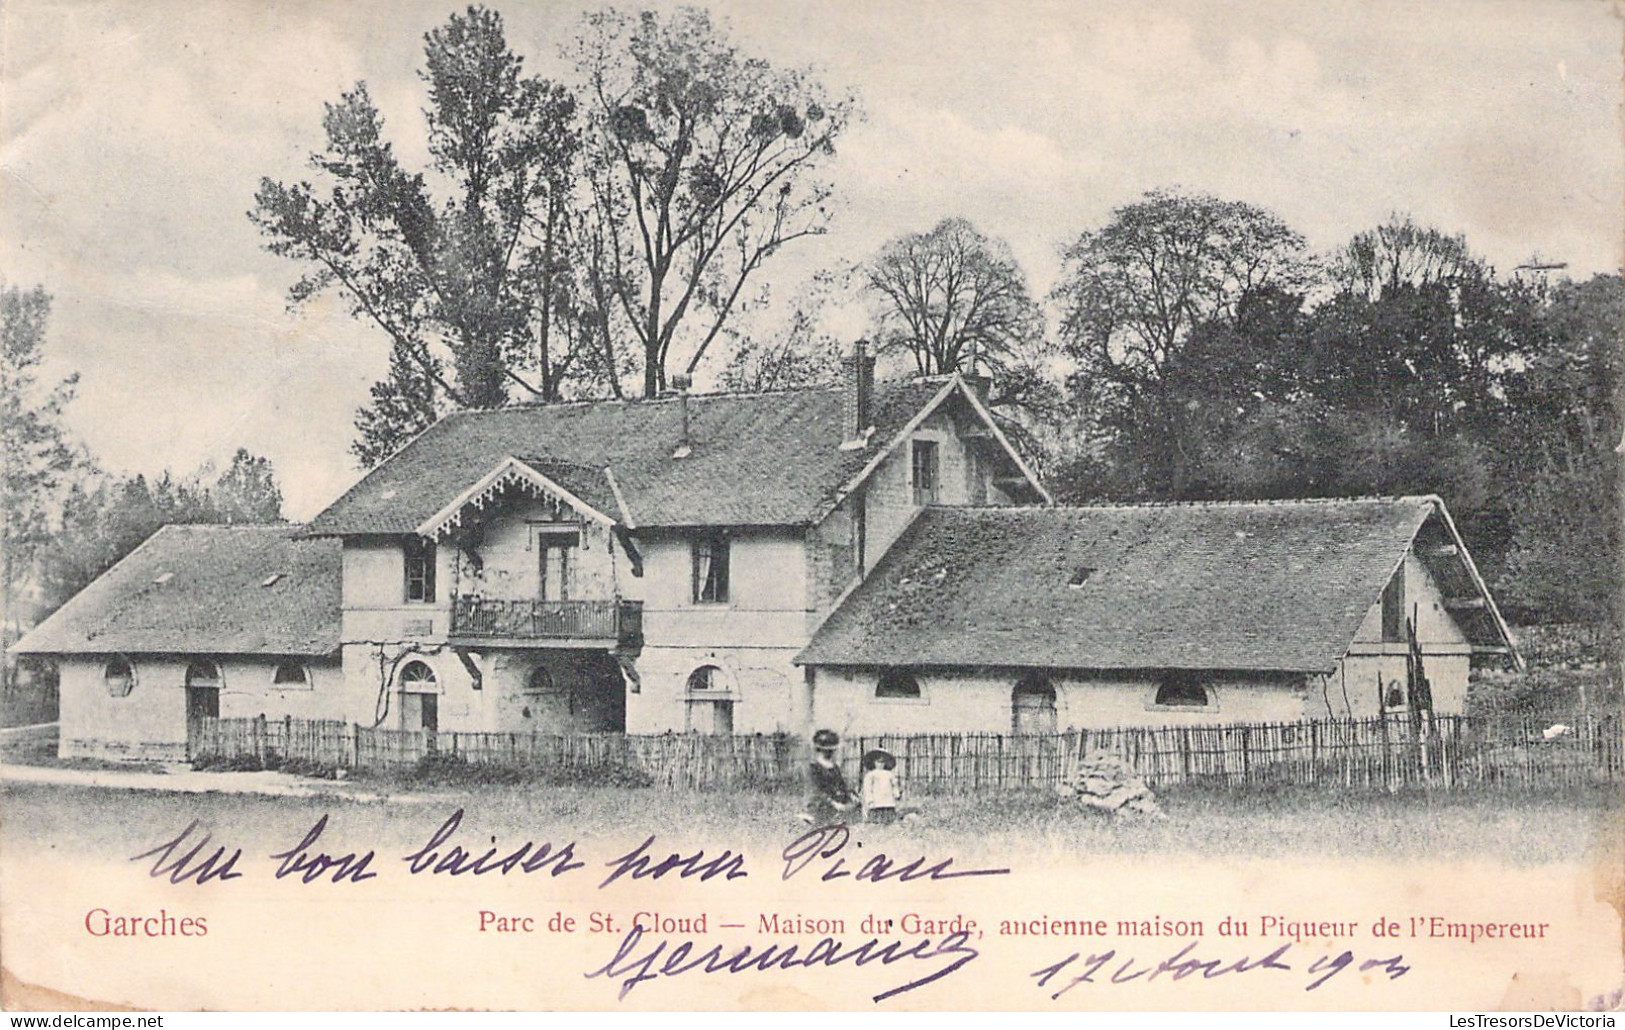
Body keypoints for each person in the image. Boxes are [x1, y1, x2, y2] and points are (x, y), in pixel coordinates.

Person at [802, 728, 855, 825]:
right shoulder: (813, 768)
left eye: (831, 750)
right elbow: (816, 791)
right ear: (818, 750)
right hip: (819, 805)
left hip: (836, 804)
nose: (829, 753)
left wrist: (849, 797)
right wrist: (834, 803)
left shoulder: (835, 767)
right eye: (825, 750)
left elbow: (841, 786)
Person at [861, 748, 902, 825]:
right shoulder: (871, 774)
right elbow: (868, 788)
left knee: (888, 816)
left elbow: (894, 785)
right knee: (876, 817)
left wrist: (896, 794)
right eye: (878, 762)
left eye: (882, 762)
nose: (880, 764)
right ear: (874, 763)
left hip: (888, 799)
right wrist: (870, 799)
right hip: (877, 799)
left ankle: (888, 825)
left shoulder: (889, 774)